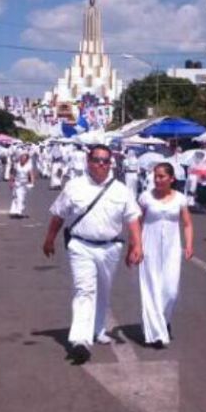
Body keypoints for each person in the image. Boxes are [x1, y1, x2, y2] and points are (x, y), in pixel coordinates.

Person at [42, 144, 143, 365]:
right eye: (97, 159)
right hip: (81, 245)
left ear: (111, 164)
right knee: (84, 290)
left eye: (106, 160)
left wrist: (137, 245)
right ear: (88, 161)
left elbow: (133, 218)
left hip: (110, 248)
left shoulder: (121, 190)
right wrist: (49, 239)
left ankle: (98, 329)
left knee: (103, 290)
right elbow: (59, 215)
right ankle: (80, 340)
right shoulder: (74, 187)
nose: (101, 164)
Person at [138, 163, 193, 348]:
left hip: (171, 249)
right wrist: (135, 246)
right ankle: (156, 333)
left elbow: (187, 224)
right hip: (149, 247)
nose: (157, 180)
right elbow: (136, 222)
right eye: (156, 176)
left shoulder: (180, 199)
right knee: (152, 288)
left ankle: (163, 320)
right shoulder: (146, 197)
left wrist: (189, 245)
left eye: (161, 176)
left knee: (170, 291)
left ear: (172, 179)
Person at [9, 151, 35, 218]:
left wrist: (32, 183)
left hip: (24, 184)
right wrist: (11, 182)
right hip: (17, 183)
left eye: (25, 158)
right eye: (22, 158)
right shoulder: (16, 165)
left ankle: (19, 211)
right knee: (16, 197)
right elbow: (13, 174)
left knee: (21, 198)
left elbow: (31, 175)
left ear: (26, 160)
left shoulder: (29, 166)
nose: (23, 159)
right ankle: (16, 211)